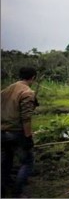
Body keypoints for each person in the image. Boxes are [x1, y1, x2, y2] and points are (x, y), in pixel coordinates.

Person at [1, 67, 38, 197]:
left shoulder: (6, 90)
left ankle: (3, 189)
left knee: (6, 159)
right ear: (33, 77)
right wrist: (28, 137)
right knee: (27, 162)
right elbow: (26, 117)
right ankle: (17, 193)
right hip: (16, 132)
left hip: (2, 132)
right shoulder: (27, 92)